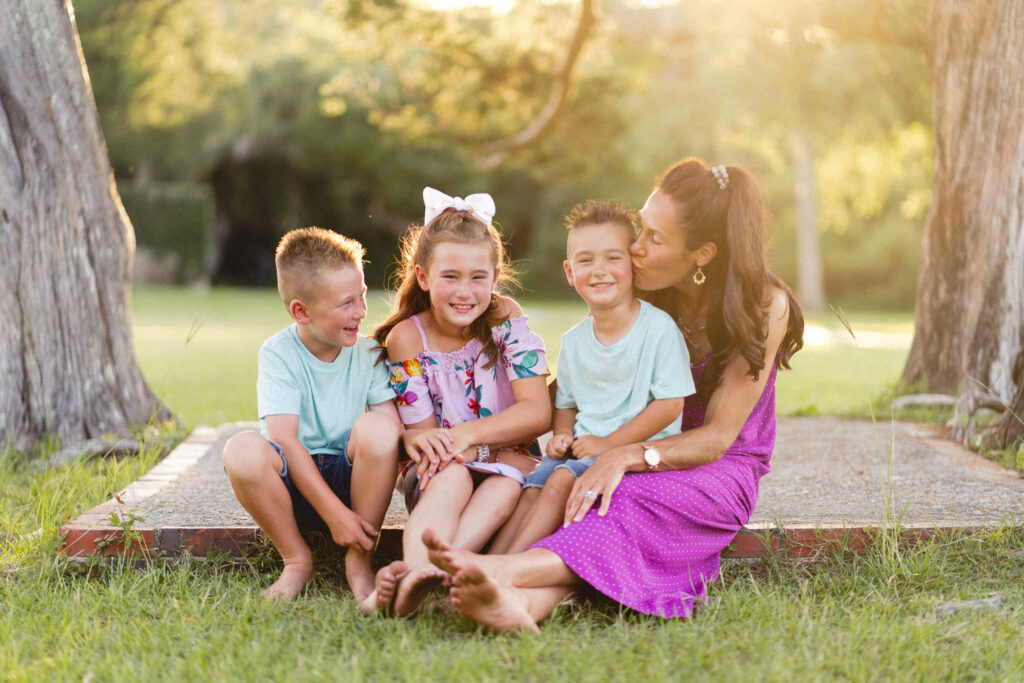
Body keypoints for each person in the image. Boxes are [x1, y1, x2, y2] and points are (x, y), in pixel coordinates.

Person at [422, 157, 805, 633]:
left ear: (702, 253)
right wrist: (502, 425)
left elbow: (717, 438)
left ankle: (497, 571)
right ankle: (520, 605)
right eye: (641, 229)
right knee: (580, 489)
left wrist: (623, 454)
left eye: (654, 240)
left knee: (614, 498)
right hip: (629, 447)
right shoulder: (644, 289)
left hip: (714, 468)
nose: (635, 248)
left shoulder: (763, 306)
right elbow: (574, 385)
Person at [365, 187, 552, 616]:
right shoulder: (408, 338)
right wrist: (466, 448)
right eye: (450, 276)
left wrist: (469, 437)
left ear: (495, 277)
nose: (464, 291)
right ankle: (416, 572)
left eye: (477, 277)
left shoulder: (505, 319)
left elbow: (536, 412)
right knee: (454, 476)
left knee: (504, 484)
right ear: (424, 278)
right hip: (439, 472)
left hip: (509, 466)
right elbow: (429, 442)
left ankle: (429, 573)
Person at [489, 199, 691, 555]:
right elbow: (565, 403)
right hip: (581, 453)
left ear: (633, 265)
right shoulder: (574, 340)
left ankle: (503, 568)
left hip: (633, 457)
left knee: (558, 481)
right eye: (586, 260)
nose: (599, 270)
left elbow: (671, 404)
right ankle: (480, 563)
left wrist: (610, 443)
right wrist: (563, 434)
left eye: (613, 258)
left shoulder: (658, 329)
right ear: (570, 272)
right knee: (531, 489)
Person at [221, 227, 402, 606]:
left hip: (350, 484)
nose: (361, 312)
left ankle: (359, 560)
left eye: (363, 296)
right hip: (291, 489)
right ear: (300, 310)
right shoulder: (278, 354)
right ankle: (297, 559)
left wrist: (346, 510)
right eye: (346, 303)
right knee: (242, 450)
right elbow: (285, 440)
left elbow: (391, 429)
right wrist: (333, 515)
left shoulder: (368, 353)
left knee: (380, 429)